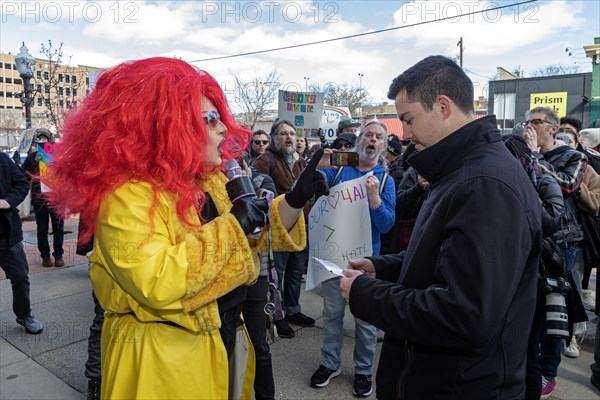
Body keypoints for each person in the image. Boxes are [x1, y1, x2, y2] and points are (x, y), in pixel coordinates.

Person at [43, 57, 328, 399]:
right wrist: (234, 225)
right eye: (209, 119)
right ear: (166, 125)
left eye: (219, 116)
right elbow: (158, 280)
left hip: (220, 340)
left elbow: (253, 238)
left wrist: (295, 199)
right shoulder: (127, 195)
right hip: (162, 359)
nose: (223, 128)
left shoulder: (208, 179)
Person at [340, 55, 543, 399]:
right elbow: (442, 259)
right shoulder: (458, 171)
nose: (404, 134)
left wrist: (366, 294)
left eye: (408, 119)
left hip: (462, 387)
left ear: (443, 106)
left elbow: (464, 315)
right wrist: (382, 267)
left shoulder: (484, 184)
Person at [310, 120, 396, 397]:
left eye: (378, 137)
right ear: (359, 141)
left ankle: (363, 370)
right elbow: (314, 196)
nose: (372, 140)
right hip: (335, 258)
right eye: (368, 135)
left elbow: (387, 225)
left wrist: (375, 199)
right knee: (332, 314)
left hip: (364, 263)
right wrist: (319, 165)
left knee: (366, 322)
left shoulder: (385, 180)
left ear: (383, 145)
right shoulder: (338, 171)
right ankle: (330, 363)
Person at [253, 119, 316, 339]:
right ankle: (277, 316)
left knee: (295, 272)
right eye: (283, 134)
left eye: (292, 133)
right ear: (274, 138)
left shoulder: (297, 161)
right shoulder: (265, 160)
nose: (289, 137)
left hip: (300, 226)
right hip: (278, 229)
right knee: (276, 274)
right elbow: (259, 193)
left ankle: (293, 310)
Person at [0, 152, 43, 335]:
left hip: (7, 235)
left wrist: (7, 201)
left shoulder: (2, 159)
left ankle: (24, 314)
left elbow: (22, 183)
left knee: (20, 277)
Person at [23, 128, 65, 268]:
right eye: (39, 139)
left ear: (50, 140)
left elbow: (66, 174)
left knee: (58, 228)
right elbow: (24, 177)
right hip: (39, 198)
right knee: (42, 229)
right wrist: (35, 163)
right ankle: (45, 256)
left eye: (44, 138)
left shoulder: (59, 156)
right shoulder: (31, 158)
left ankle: (58, 255)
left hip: (56, 197)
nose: (42, 141)